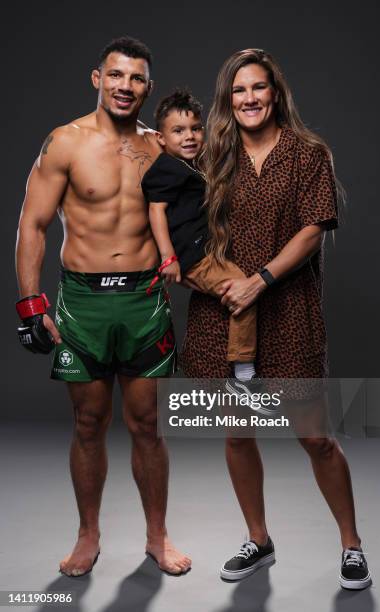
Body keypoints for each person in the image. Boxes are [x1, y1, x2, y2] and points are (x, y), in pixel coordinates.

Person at [181, 48, 371, 589]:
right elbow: (166, 182)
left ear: (275, 93)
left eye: (257, 88)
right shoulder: (211, 154)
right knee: (238, 435)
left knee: (316, 438)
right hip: (224, 313)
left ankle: (352, 545)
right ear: (227, 99)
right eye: (238, 91)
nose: (248, 99)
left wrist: (260, 280)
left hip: (287, 311)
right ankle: (259, 540)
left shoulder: (308, 154)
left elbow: (314, 230)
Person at [15, 36, 191, 577]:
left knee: (147, 425)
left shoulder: (161, 146)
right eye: (116, 75)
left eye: (136, 78)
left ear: (148, 87)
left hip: (143, 300)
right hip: (84, 302)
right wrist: (29, 304)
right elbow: (33, 224)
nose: (125, 87)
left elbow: (204, 208)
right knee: (88, 422)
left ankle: (157, 537)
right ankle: (88, 534)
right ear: (98, 78)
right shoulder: (64, 143)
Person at [142, 88, 261, 389]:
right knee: (242, 289)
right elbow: (156, 212)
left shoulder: (191, 164)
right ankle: (242, 366)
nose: (189, 137)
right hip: (193, 256)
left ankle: (238, 366)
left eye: (196, 129)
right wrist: (168, 257)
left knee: (237, 290)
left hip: (204, 252)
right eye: (178, 131)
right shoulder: (166, 168)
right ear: (160, 138)